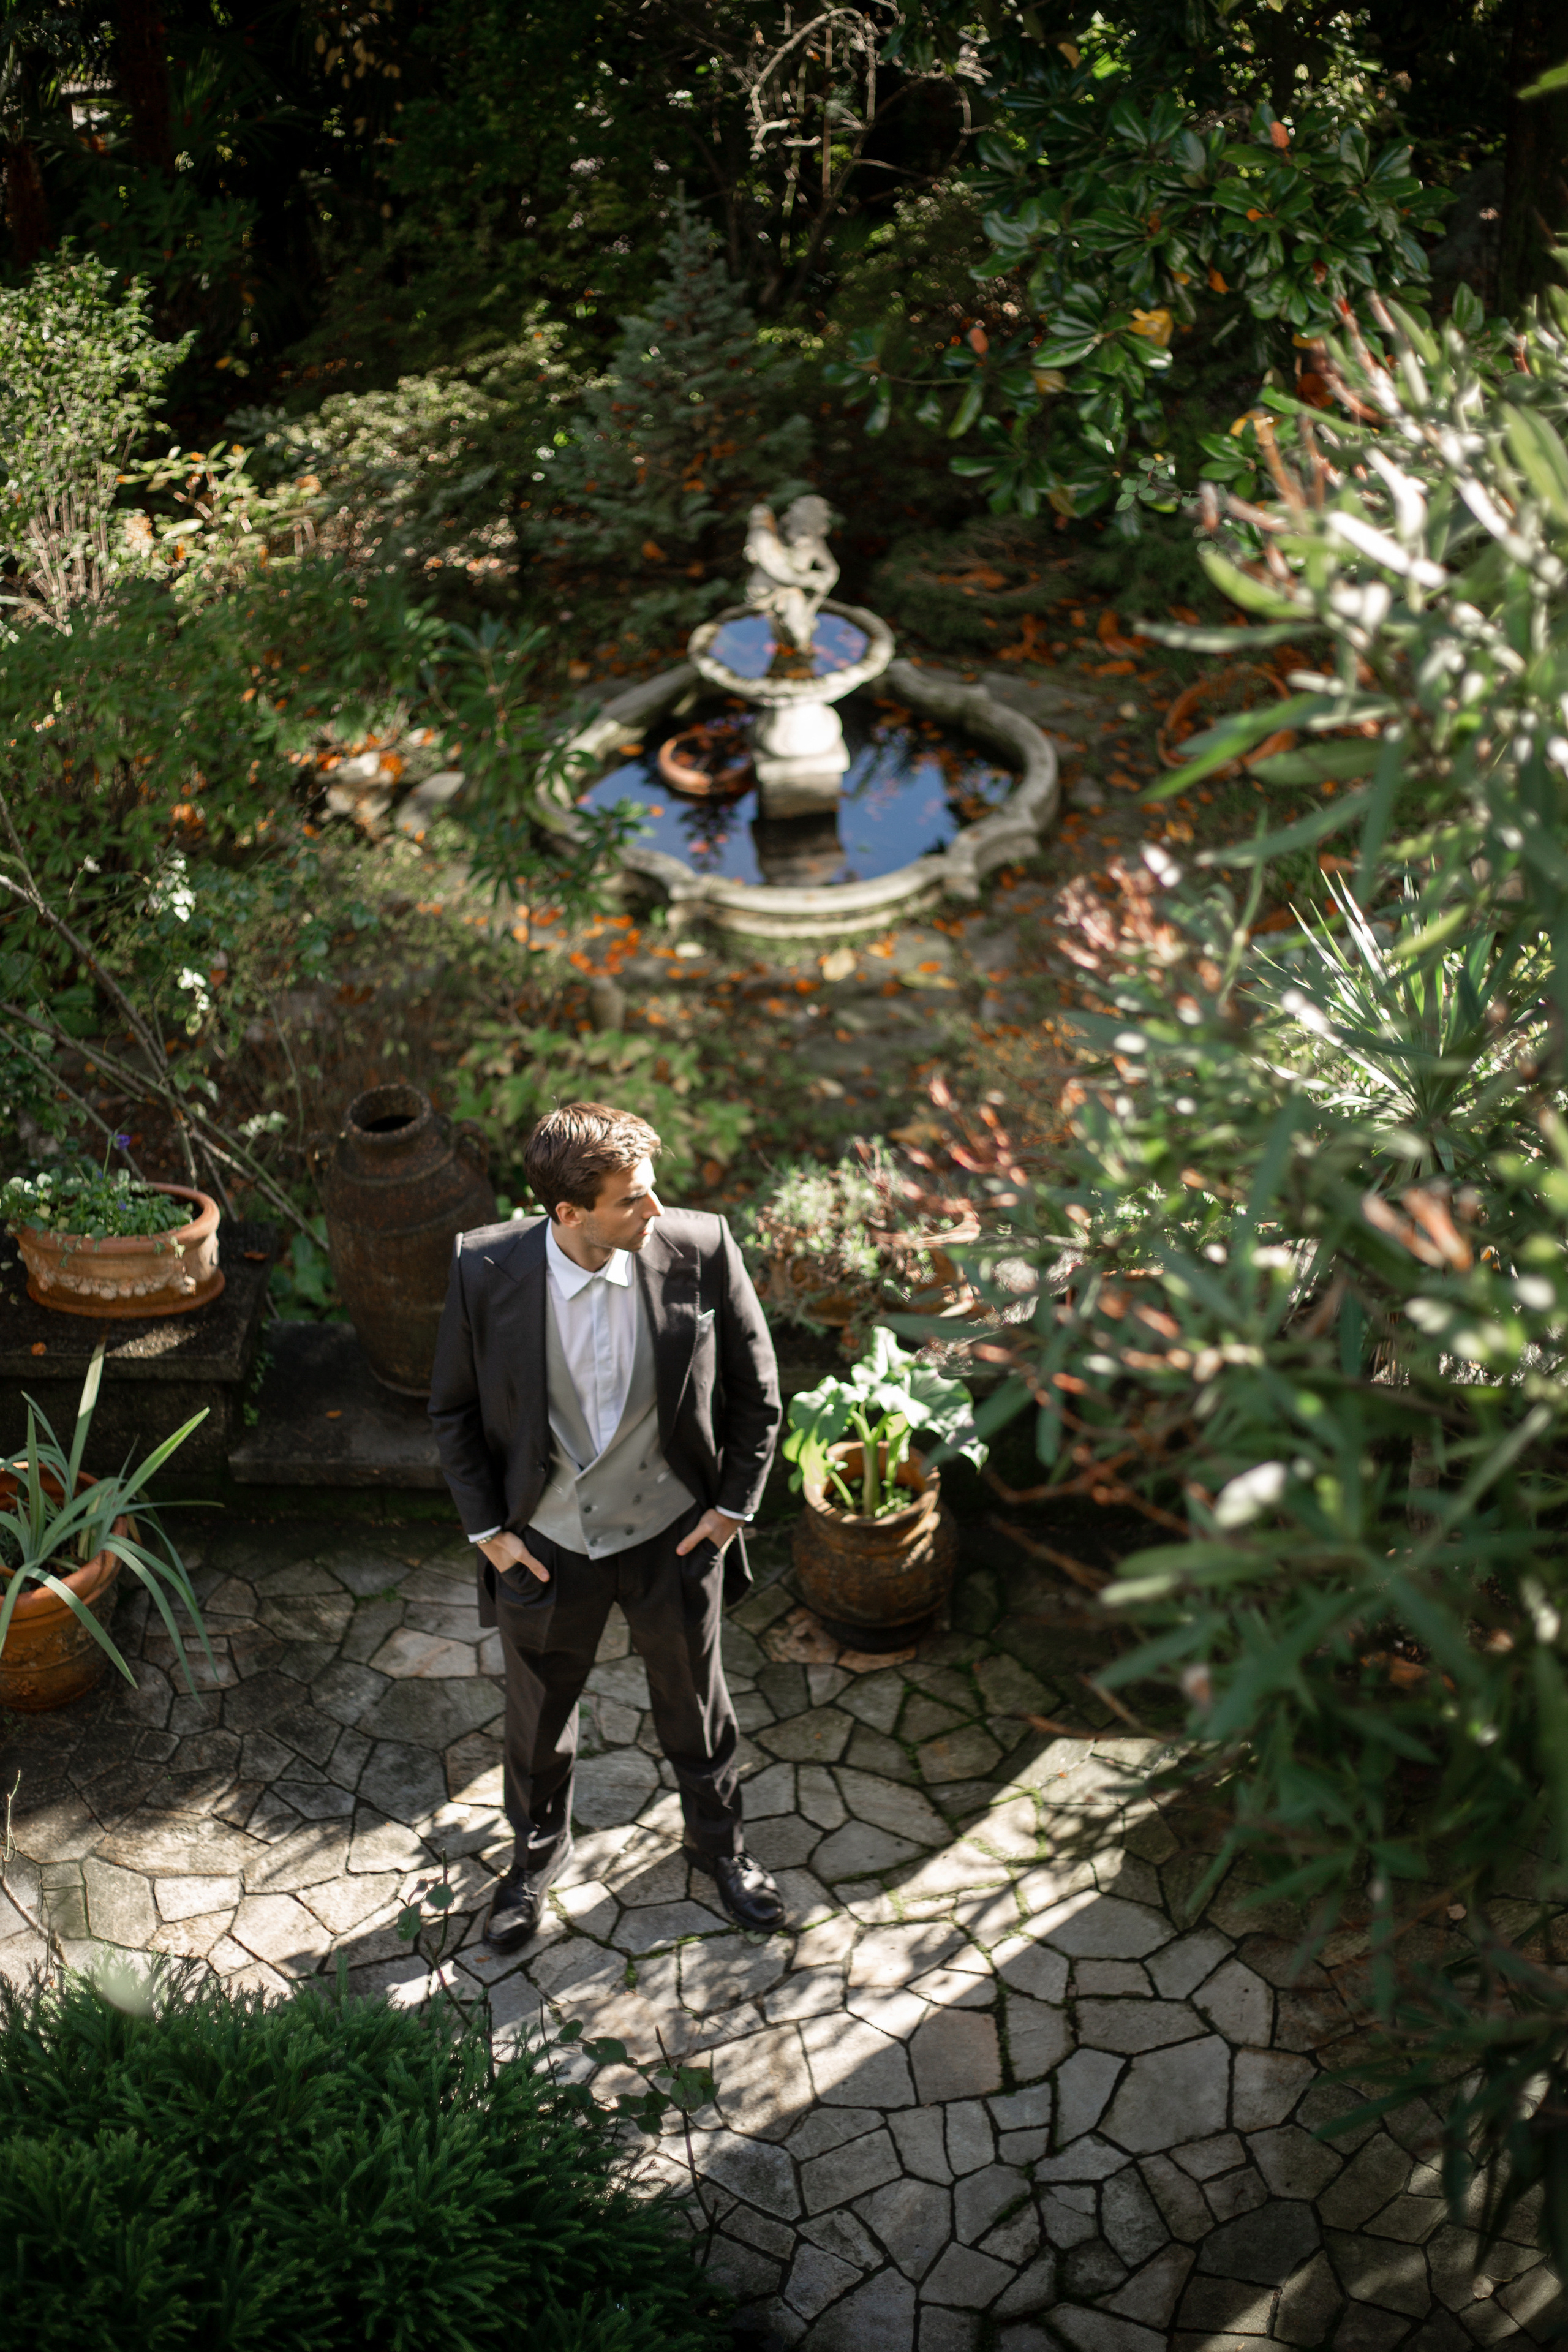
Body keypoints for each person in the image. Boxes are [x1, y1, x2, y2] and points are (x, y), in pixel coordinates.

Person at [428, 1101, 785, 1954]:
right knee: (537, 1717)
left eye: (654, 1193)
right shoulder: (486, 1269)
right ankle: (533, 1860)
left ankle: (721, 1844)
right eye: (634, 1201)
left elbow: (758, 1392)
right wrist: (490, 1534)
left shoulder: (700, 1249)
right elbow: (452, 1410)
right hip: (546, 1547)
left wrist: (732, 1509)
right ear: (569, 1213)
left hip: (674, 1536)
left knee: (697, 1706)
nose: (655, 1212)